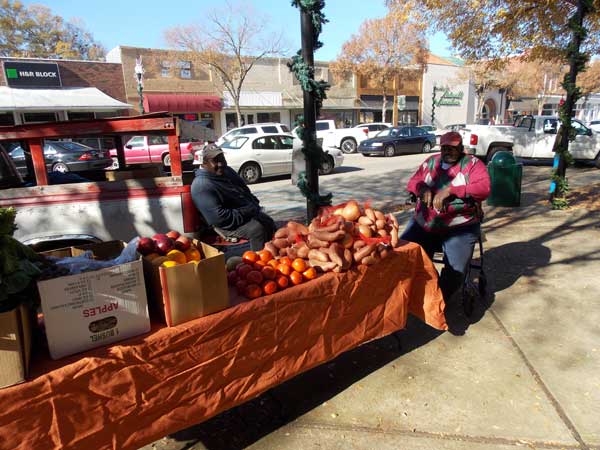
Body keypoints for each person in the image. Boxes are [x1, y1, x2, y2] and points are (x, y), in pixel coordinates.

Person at [400, 131, 491, 301]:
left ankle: (438, 299)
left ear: (461, 148)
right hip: (425, 224)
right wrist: (421, 188)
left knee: (456, 271)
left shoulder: (473, 164)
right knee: (402, 254)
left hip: (459, 227)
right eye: (444, 148)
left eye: (453, 148)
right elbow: (413, 181)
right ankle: (423, 288)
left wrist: (452, 190)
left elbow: (485, 188)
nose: (448, 151)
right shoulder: (431, 162)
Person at [191, 144, 276, 251]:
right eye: (216, 161)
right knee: (257, 229)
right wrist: (248, 210)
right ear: (204, 163)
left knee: (268, 222)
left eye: (222, 159)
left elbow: (245, 190)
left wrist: (253, 203)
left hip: (242, 213)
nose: (221, 164)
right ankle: (259, 262)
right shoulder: (202, 186)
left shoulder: (227, 171)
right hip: (226, 225)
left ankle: (271, 256)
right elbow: (220, 219)